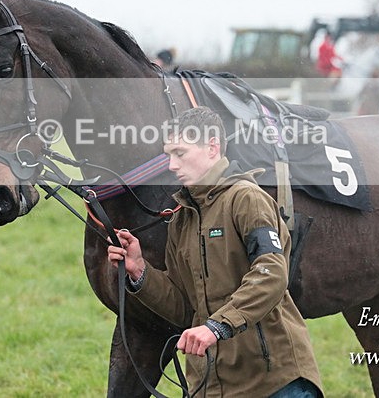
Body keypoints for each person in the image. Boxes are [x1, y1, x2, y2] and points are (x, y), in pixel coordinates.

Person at [107, 106, 322, 398]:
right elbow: (185, 306)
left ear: (212, 148)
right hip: (212, 386)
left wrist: (216, 327)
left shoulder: (246, 198)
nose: (171, 165)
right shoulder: (182, 219)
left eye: (180, 153)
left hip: (275, 383)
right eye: (168, 154)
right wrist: (140, 272)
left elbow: (271, 273)